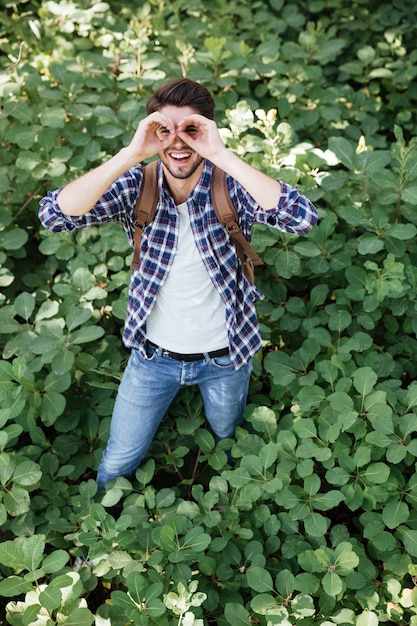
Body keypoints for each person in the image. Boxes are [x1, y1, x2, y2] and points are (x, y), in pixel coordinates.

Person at [39, 78, 318, 491]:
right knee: (118, 458)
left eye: (191, 128)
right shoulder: (139, 186)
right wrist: (132, 153)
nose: (177, 142)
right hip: (153, 359)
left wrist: (220, 154)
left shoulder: (230, 187)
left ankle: (227, 512)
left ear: (208, 130)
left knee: (228, 443)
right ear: (151, 132)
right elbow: (55, 216)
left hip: (227, 358)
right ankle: (96, 538)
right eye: (164, 129)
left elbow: (302, 218)